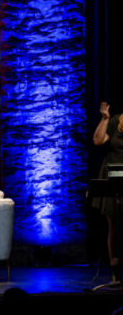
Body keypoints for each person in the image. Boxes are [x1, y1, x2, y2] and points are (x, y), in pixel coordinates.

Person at [92, 101, 123, 281]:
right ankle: (115, 269)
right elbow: (97, 140)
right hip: (113, 175)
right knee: (114, 224)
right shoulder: (115, 121)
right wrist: (105, 119)